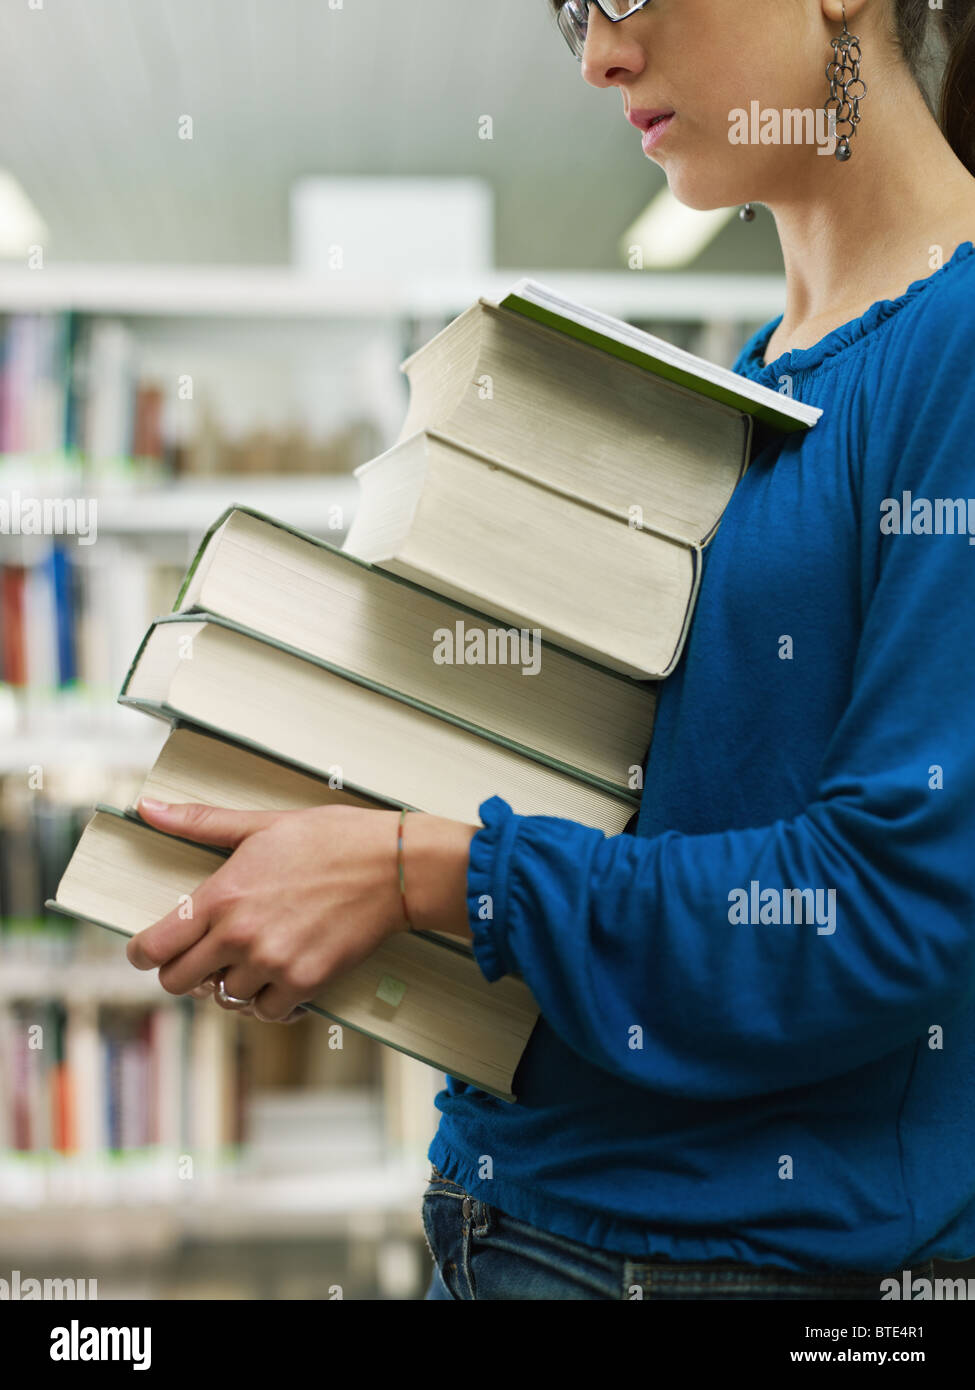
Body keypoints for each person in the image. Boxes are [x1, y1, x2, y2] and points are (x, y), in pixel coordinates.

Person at [127, 0, 975, 1300]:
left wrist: (425, 870)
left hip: (726, 1261)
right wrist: (355, 895)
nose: (597, 56)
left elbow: (882, 909)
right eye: (571, 12)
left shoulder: (956, 350)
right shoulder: (766, 373)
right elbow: (668, 828)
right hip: (517, 1212)